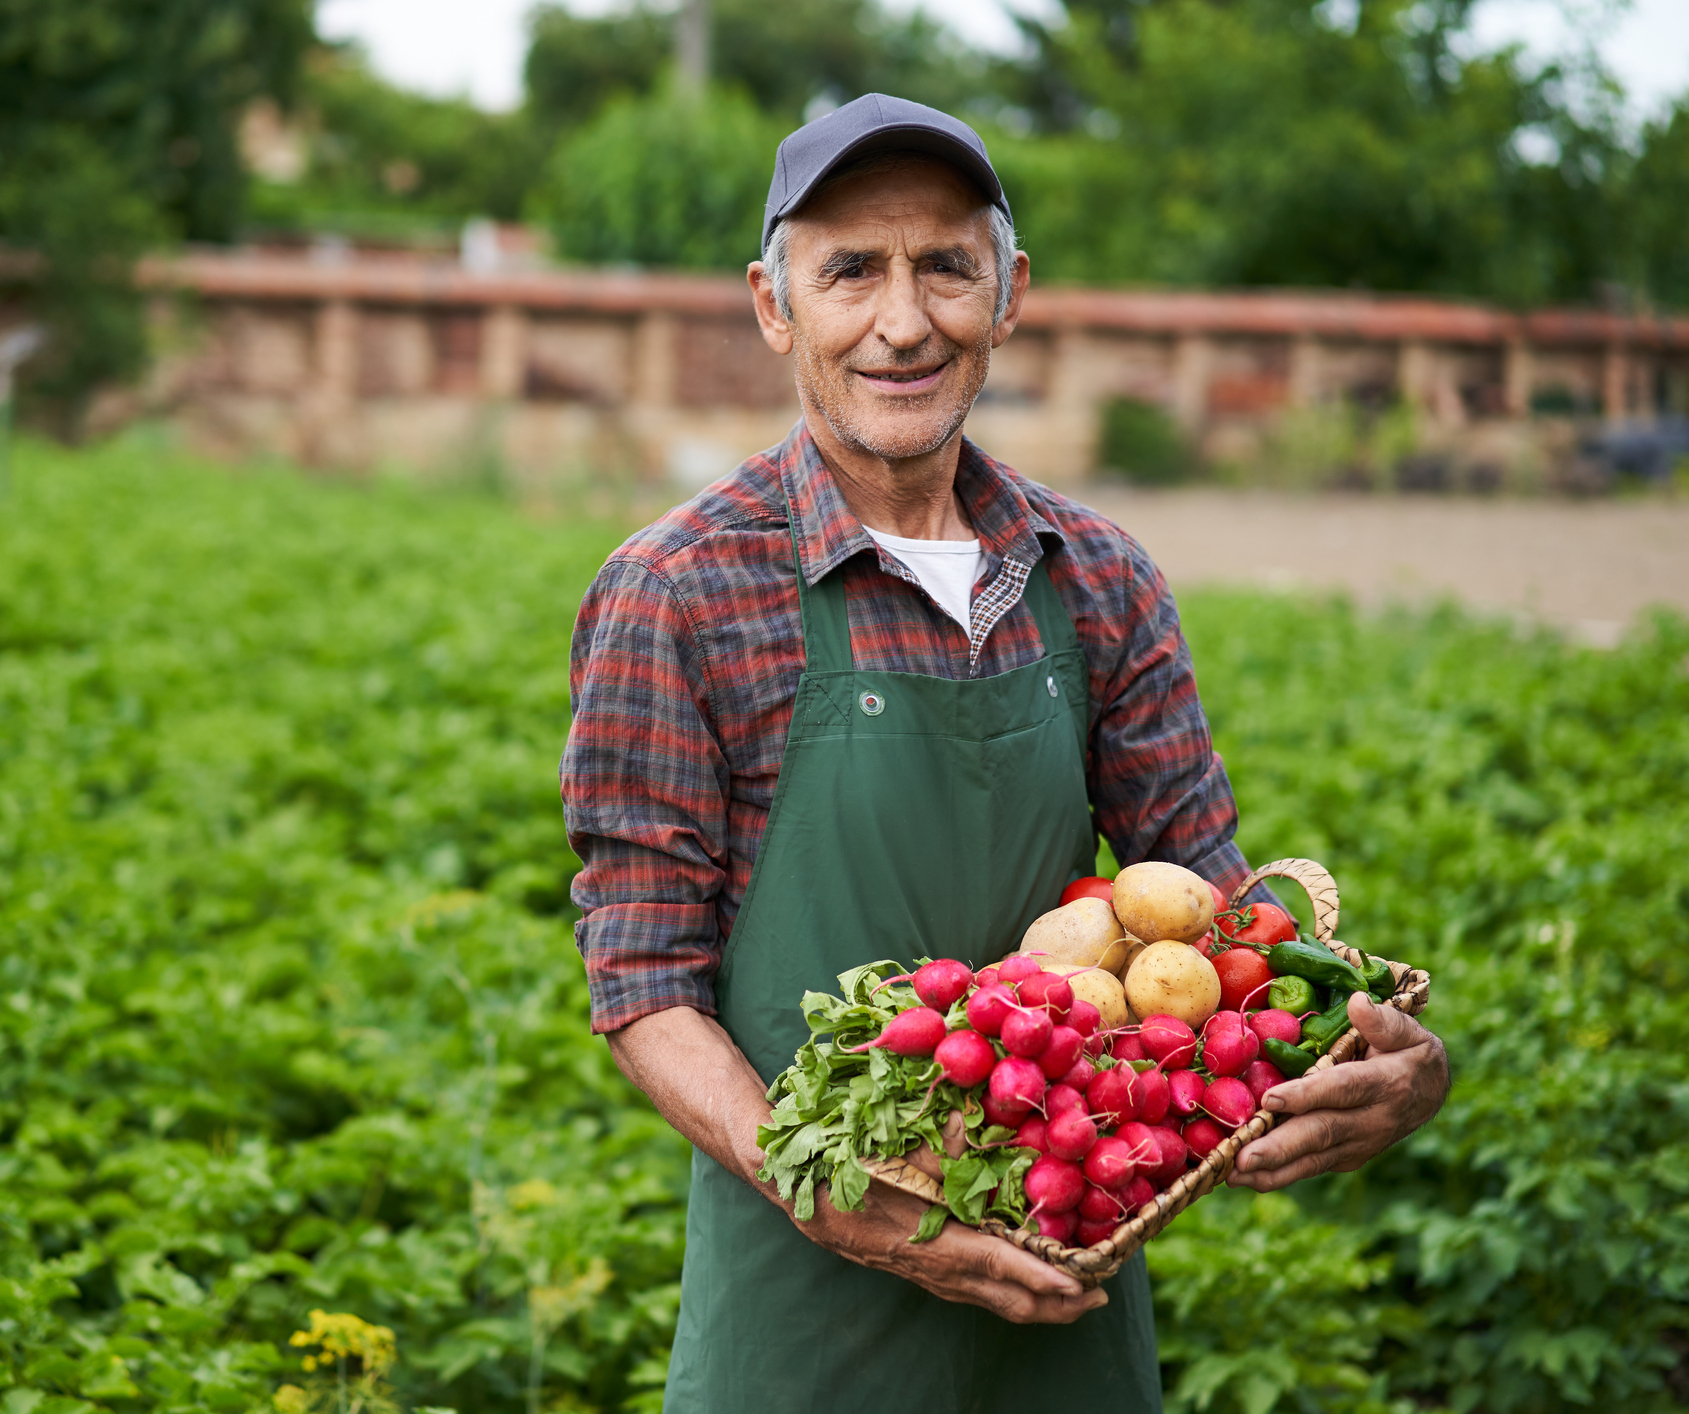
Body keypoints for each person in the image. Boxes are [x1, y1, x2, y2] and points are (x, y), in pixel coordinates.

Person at [559, 94, 1450, 1412]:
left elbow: (1215, 916)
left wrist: (1371, 1058)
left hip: (1073, 1258)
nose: (902, 322)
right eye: (849, 271)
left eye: (945, 266)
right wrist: (832, 1192)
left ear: (1009, 291)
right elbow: (642, 977)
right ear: (772, 305)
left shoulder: (1097, 576)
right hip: (797, 1313)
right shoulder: (679, 590)